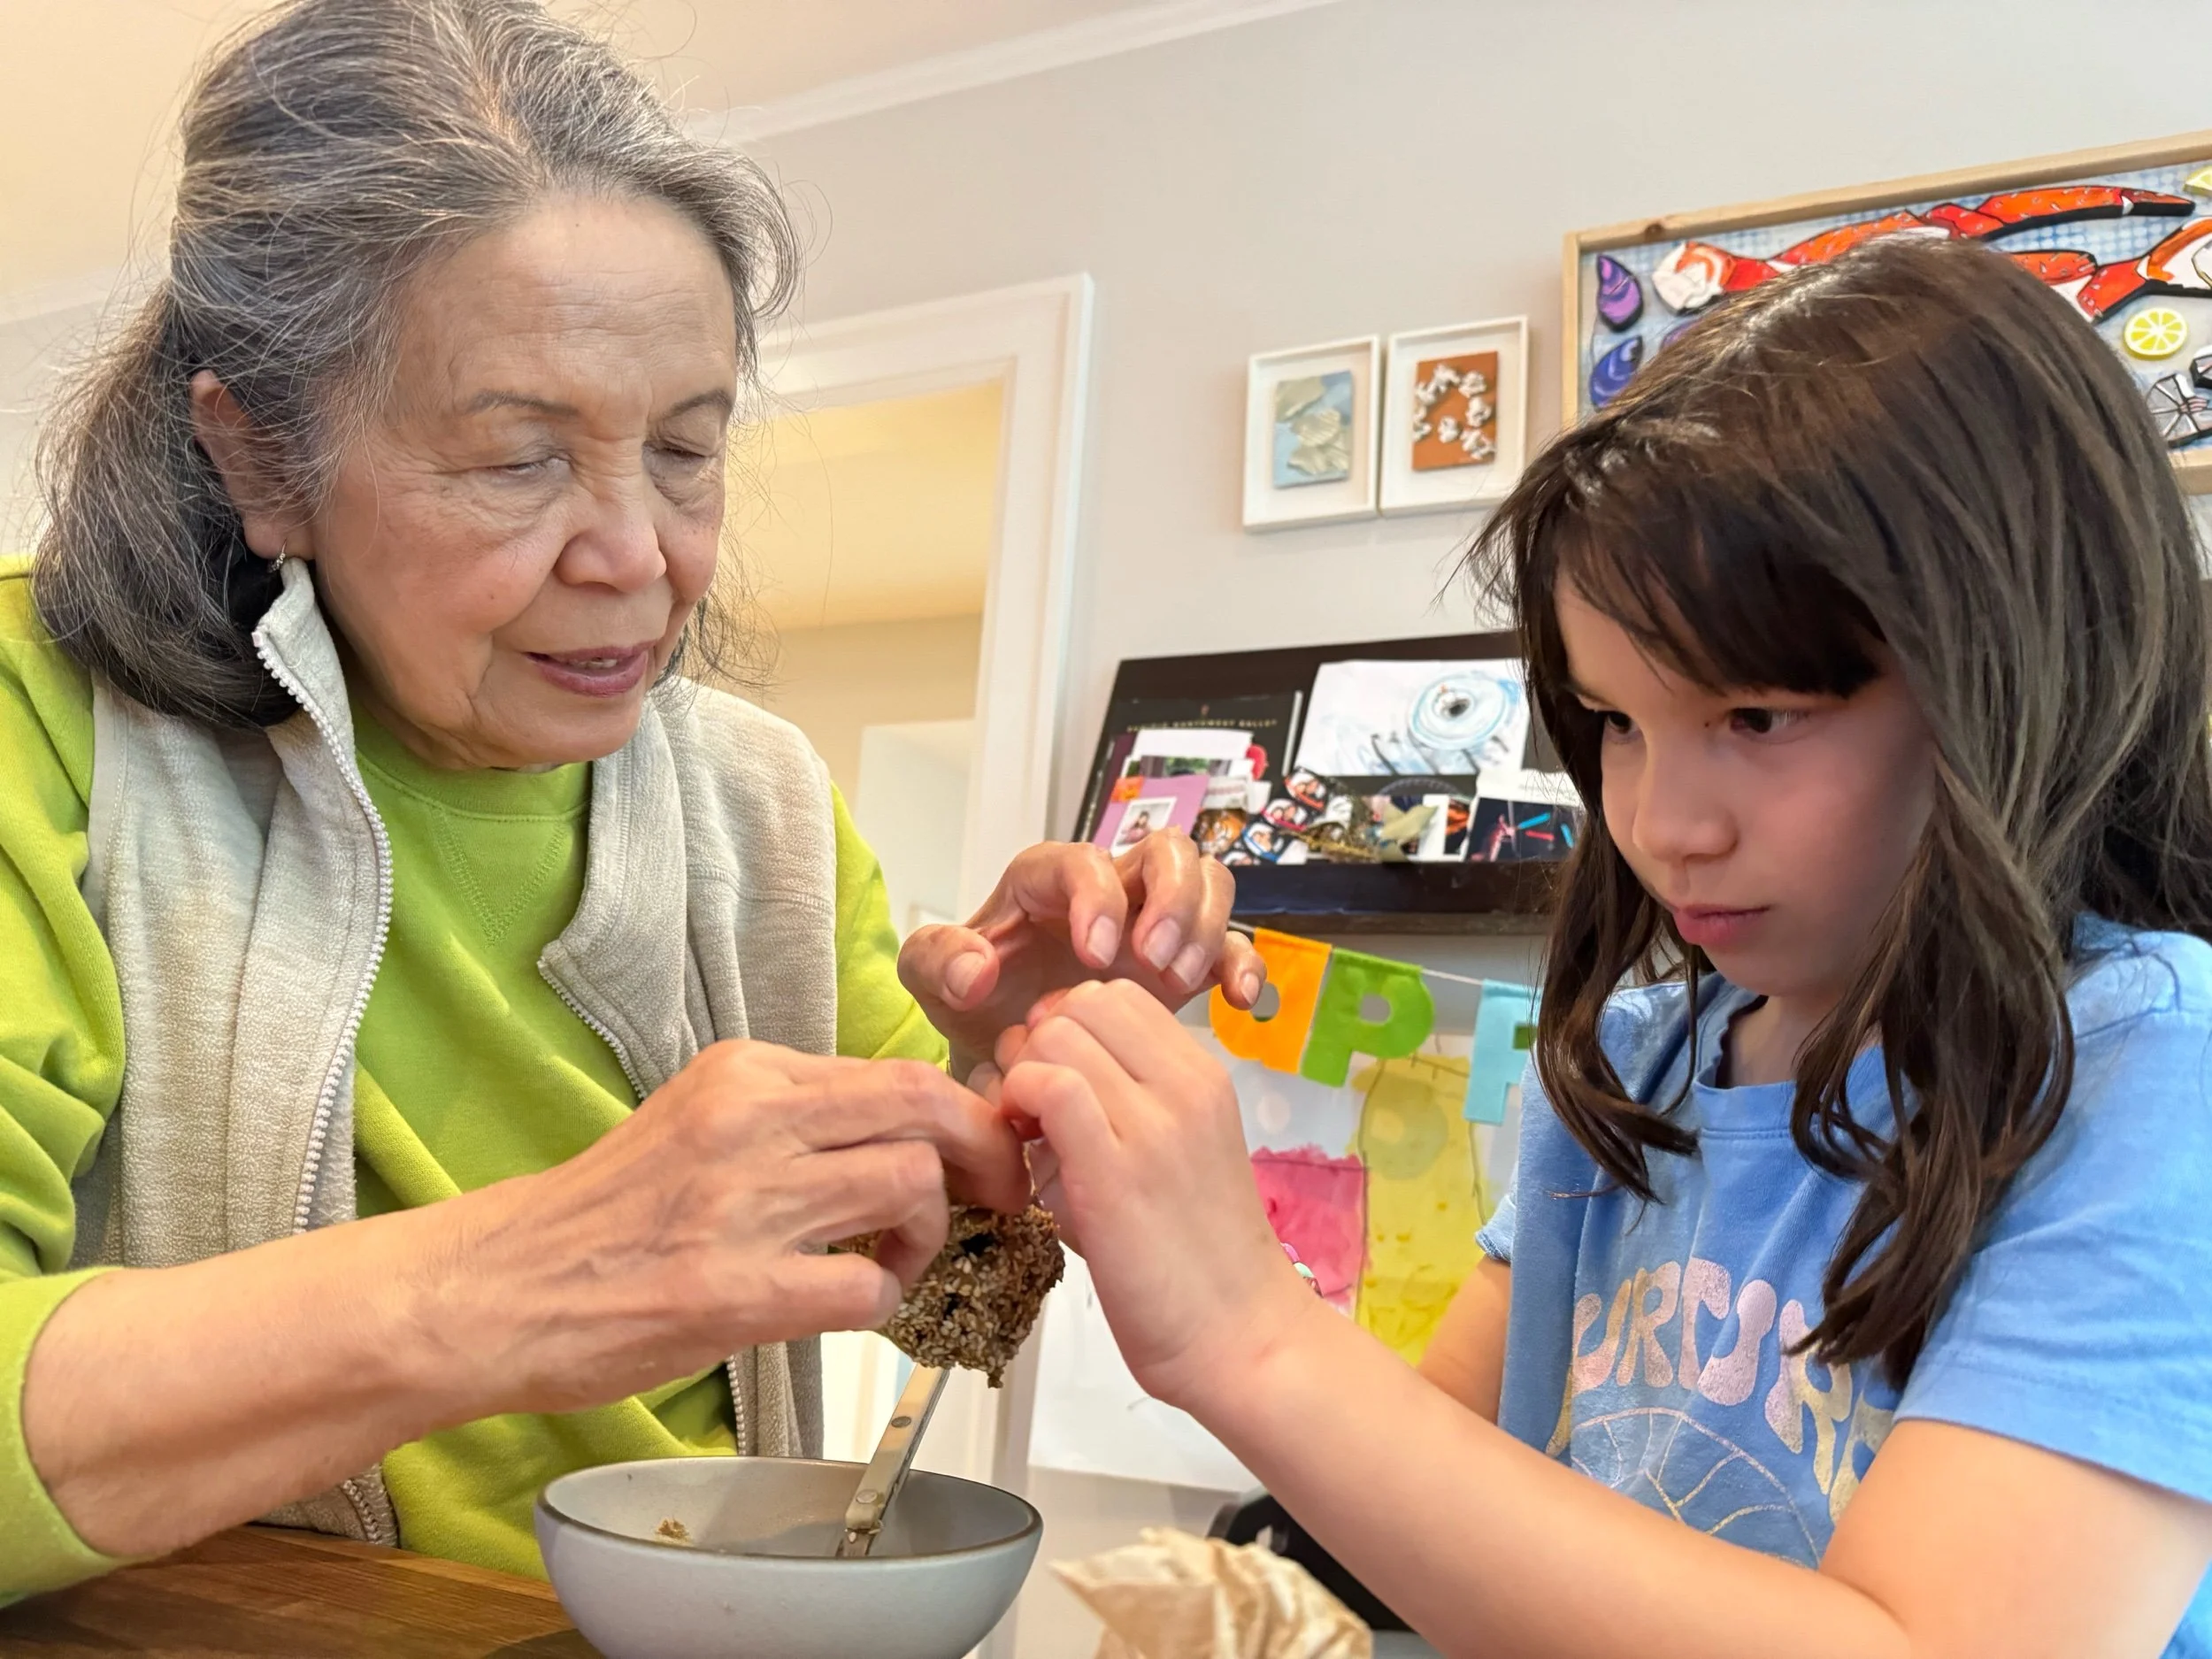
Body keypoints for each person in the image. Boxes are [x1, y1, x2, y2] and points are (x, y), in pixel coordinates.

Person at [0, 0, 1263, 1600]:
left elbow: (950, 1270)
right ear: (261, 461)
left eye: (684, 450)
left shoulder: (758, 804)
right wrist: (520, 1277)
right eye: (518, 459)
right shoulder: (48, 725)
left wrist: (1015, 1074)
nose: (640, 555)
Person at [990, 236, 2212, 1656]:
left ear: (2016, 672)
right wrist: (1112, 1117)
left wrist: (1251, 1331)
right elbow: (1425, 1516)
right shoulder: (1638, 1065)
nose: (1661, 824)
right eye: (1617, 722)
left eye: (1755, 717)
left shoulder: (2151, 1075)